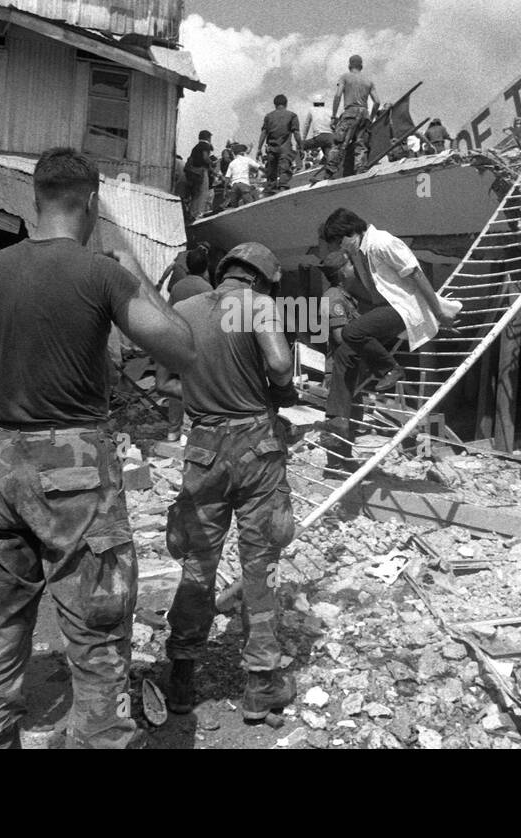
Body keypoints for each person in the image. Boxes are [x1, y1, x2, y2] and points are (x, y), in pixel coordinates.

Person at [0, 148, 195, 750]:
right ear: (90, 202)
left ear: (34, 201)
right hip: (75, 468)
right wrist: (134, 264)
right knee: (96, 626)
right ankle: (101, 738)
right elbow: (182, 348)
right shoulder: (100, 273)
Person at [158, 243, 299, 724]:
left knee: (198, 564)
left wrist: (204, 387)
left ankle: (180, 679)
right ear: (261, 279)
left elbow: (166, 382)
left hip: (202, 448)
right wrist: (271, 391)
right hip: (256, 447)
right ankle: (261, 686)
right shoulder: (256, 305)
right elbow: (279, 365)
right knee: (259, 563)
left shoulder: (182, 310)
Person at [318, 209, 461, 465]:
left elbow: (415, 273)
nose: (341, 248)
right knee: (344, 354)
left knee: (352, 332)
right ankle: (337, 420)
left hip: (403, 307)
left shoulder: (382, 242)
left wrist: (438, 311)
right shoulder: (361, 252)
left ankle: (390, 368)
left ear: (350, 233)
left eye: (340, 242)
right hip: (387, 309)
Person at [163, 247, 214, 442]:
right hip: (198, 344)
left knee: (176, 385)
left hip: (177, 341)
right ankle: (191, 430)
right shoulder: (207, 289)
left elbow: (168, 313)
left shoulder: (178, 287)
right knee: (197, 387)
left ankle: (173, 430)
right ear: (206, 267)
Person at [328, 55, 381, 179]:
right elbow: (377, 102)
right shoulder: (369, 81)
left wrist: (334, 116)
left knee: (338, 142)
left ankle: (330, 171)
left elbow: (337, 95)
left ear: (349, 65)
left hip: (350, 113)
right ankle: (360, 170)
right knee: (360, 144)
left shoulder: (345, 77)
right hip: (365, 114)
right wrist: (371, 118)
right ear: (361, 66)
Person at [256, 95, 301, 194]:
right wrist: (301, 146)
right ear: (286, 103)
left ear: (275, 105)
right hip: (285, 148)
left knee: (271, 172)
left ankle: (271, 190)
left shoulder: (269, 116)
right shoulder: (292, 115)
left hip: (272, 149)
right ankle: (282, 187)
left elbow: (264, 133)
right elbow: (296, 133)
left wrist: (259, 148)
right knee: (285, 170)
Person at [184, 130, 214, 220]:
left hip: (193, 172)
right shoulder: (206, 145)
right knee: (203, 192)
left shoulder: (195, 147)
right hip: (201, 171)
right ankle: (198, 213)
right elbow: (205, 158)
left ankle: (192, 213)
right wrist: (211, 162)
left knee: (195, 193)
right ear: (208, 137)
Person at [223, 144, 263, 209]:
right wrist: (267, 171)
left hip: (234, 186)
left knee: (234, 208)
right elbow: (258, 166)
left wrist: (225, 190)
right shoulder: (247, 159)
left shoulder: (232, 163)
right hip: (244, 185)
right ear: (243, 152)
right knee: (250, 206)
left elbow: (227, 178)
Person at [302, 94, 336, 166]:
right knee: (328, 156)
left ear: (314, 103)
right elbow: (337, 121)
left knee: (300, 145)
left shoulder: (312, 110)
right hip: (330, 137)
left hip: (319, 137)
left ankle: (298, 167)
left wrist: (303, 139)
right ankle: (328, 167)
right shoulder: (329, 110)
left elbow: (306, 125)